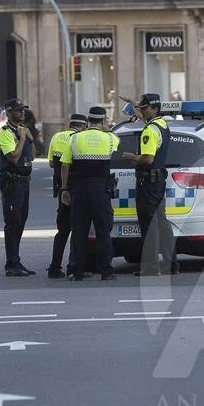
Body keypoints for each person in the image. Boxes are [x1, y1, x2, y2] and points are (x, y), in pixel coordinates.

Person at [59, 106, 120, 281]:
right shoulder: (109, 138)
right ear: (102, 121)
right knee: (103, 231)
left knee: (79, 231)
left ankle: (77, 271)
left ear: (88, 120)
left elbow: (65, 165)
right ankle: (106, 271)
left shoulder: (74, 138)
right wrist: (107, 128)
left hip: (79, 189)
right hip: (100, 190)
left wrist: (64, 189)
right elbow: (116, 142)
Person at [122, 93, 177, 277]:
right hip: (159, 181)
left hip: (147, 182)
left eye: (145, 108)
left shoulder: (149, 131)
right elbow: (145, 120)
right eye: (141, 108)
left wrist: (131, 158)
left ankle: (151, 267)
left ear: (155, 109)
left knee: (149, 225)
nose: (142, 111)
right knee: (162, 223)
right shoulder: (162, 125)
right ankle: (171, 264)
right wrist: (133, 105)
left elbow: (147, 158)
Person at [0, 98, 36, 277]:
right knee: (12, 223)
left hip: (24, 182)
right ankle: (12, 264)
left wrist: (30, 139)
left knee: (20, 222)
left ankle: (16, 260)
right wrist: (21, 138)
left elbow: (32, 156)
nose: (22, 113)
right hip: (12, 183)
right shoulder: (5, 133)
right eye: (18, 110)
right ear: (9, 112)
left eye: (23, 110)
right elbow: (13, 156)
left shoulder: (22, 131)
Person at [46, 112, 88, 279]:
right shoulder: (79, 139)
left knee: (62, 231)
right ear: (84, 125)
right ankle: (73, 267)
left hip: (62, 191)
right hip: (77, 190)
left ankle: (54, 267)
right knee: (78, 230)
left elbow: (51, 163)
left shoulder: (56, 137)